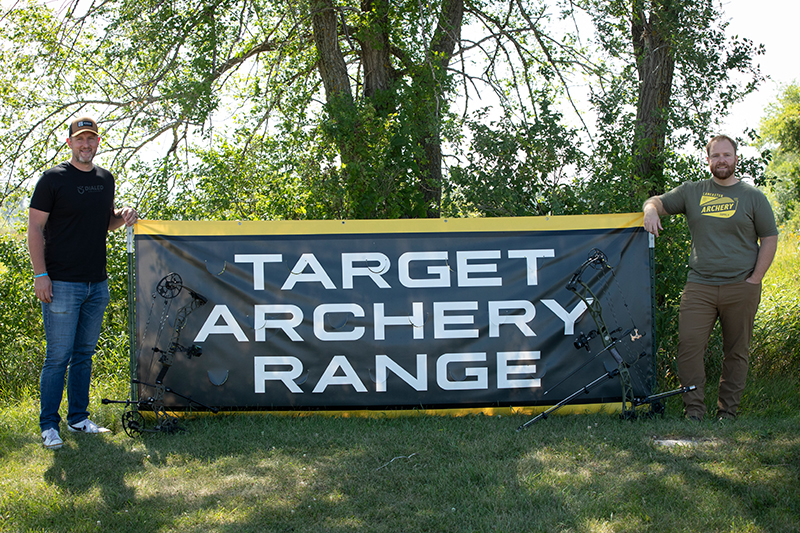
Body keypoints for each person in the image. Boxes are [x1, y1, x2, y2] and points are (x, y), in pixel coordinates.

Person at [642, 135, 778, 421]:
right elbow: (656, 201)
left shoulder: (752, 197)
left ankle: (727, 412)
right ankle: (694, 410)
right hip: (700, 285)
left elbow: (769, 238)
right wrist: (650, 211)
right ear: (708, 160)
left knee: (736, 352)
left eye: (727, 155)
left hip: (742, 285)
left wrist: (756, 278)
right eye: (716, 156)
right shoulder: (693, 192)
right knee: (689, 347)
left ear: (736, 158)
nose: (722, 161)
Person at [28, 116, 138, 449]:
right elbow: (34, 228)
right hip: (60, 283)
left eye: (91, 139)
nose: (85, 145)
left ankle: (78, 419)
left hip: (96, 284)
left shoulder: (106, 179)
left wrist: (123, 217)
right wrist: (40, 274)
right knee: (57, 357)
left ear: (98, 142)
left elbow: (104, 223)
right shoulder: (53, 179)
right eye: (80, 139)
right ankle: (49, 425)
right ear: (70, 143)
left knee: (84, 355)